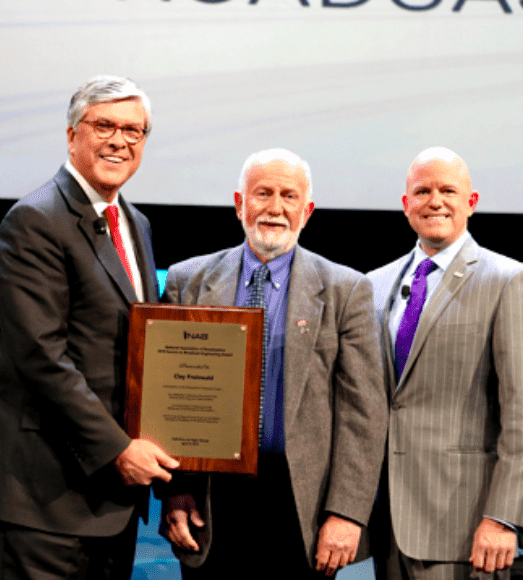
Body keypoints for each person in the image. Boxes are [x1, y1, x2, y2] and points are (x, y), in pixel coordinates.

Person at [0, 75, 179, 580]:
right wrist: (120, 449)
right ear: (71, 134)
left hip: (108, 500)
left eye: (135, 130)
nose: (120, 141)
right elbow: (41, 357)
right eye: (104, 125)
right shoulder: (35, 220)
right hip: (39, 494)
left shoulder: (134, 223)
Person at [160, 148, 387, 578]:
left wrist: (347, 512)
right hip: (211, 500)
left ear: (308, 210)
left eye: (288, 196)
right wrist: (175, 491)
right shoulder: (187, 280)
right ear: (239, 203)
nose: (275, 207)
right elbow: (170, 399)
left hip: (303, 503)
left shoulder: (346, 290)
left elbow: (364, 415)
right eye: (263, 193)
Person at [367, 147, 523, 580]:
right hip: (387, 525)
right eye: (423, 191)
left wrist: (504, 517)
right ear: (406, 205)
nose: (435, 201)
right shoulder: (373, 285)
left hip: (466, 530)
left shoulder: (510, 281)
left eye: (448, 190)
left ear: (471, 202)